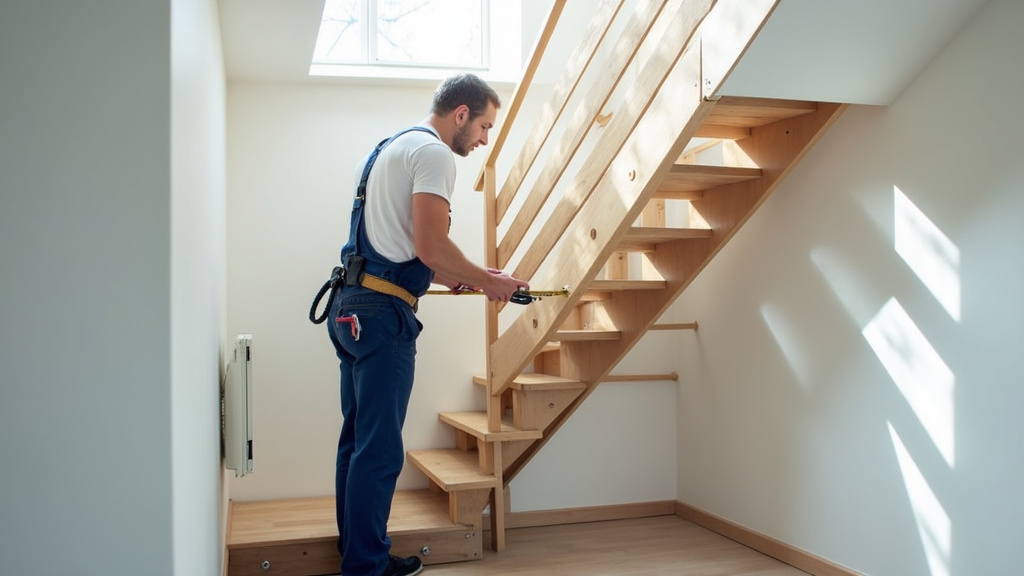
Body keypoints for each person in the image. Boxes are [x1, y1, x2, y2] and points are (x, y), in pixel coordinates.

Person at [326, 73, 529, 576]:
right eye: (483, 126)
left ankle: (358, 552)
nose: (484, 140)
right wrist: (488, 282)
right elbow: (430, 246)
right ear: (460, 114)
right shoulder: (435, 154)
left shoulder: (382, 152)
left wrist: (458, 276)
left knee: (357, 440)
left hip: (350, 307)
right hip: (382, 319)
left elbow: (404, 246)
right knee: (379, 449)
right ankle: (366, 567)